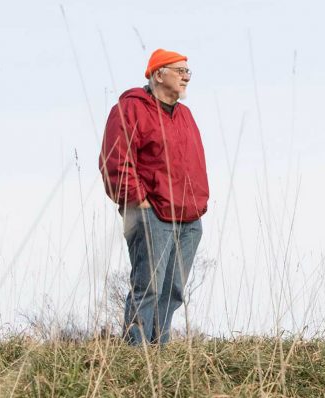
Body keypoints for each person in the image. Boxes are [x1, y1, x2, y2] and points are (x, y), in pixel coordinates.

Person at [99, 49, 209, 345]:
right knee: (147, 288)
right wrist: (139, 201)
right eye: (180, 70)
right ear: (158, 74)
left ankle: (158, 352)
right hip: (151, 213)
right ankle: (136, 356)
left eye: (188, 71)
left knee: (173, 290)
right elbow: (114, 162)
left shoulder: (185, 115)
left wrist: (200, 203)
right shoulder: (130, 108)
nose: (186, 76)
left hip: (189, 217)